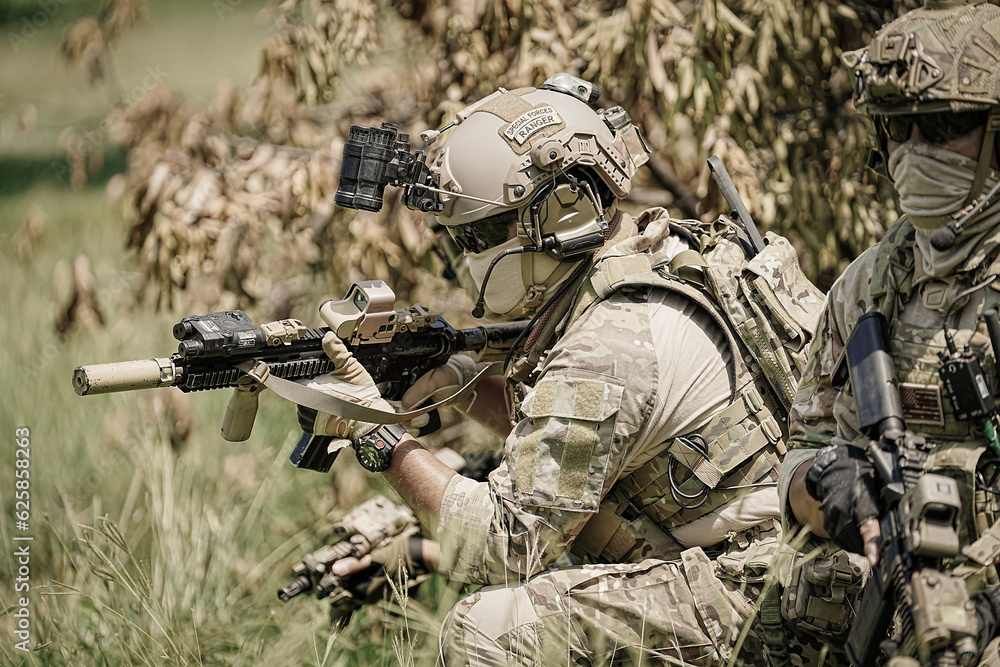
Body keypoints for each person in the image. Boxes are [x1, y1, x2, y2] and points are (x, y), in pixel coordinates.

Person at [300, 73, 830, 665]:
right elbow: (588, 446)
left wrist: (372, 429)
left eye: (473, 234)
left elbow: (506, 543)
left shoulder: (608, 341)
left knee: (488, 633)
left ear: (562, 211)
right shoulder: (665, 250)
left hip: (770, 599)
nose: (464, 256)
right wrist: (461, 385)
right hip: (800, 565)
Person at [780, 1, 1000, 664]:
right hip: (889, 581)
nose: (913, 152)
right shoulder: (869, 285)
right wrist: (824, 482)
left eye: (939, 126)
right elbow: (800, 447)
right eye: (897, 129)